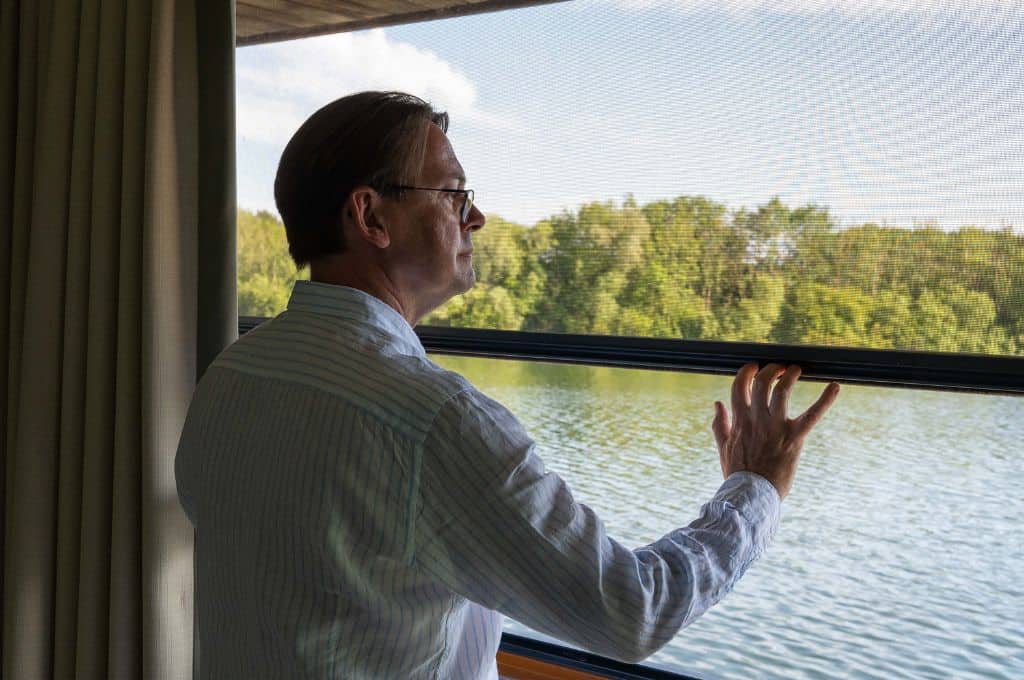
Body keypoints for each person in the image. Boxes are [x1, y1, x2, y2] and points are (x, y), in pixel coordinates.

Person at [175, 91, 840, 679]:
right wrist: (754, 488)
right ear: (371, 217)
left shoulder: (234, 373)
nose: (477, 217)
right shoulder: (432, 421)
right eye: (454, 194)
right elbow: (631, 611)